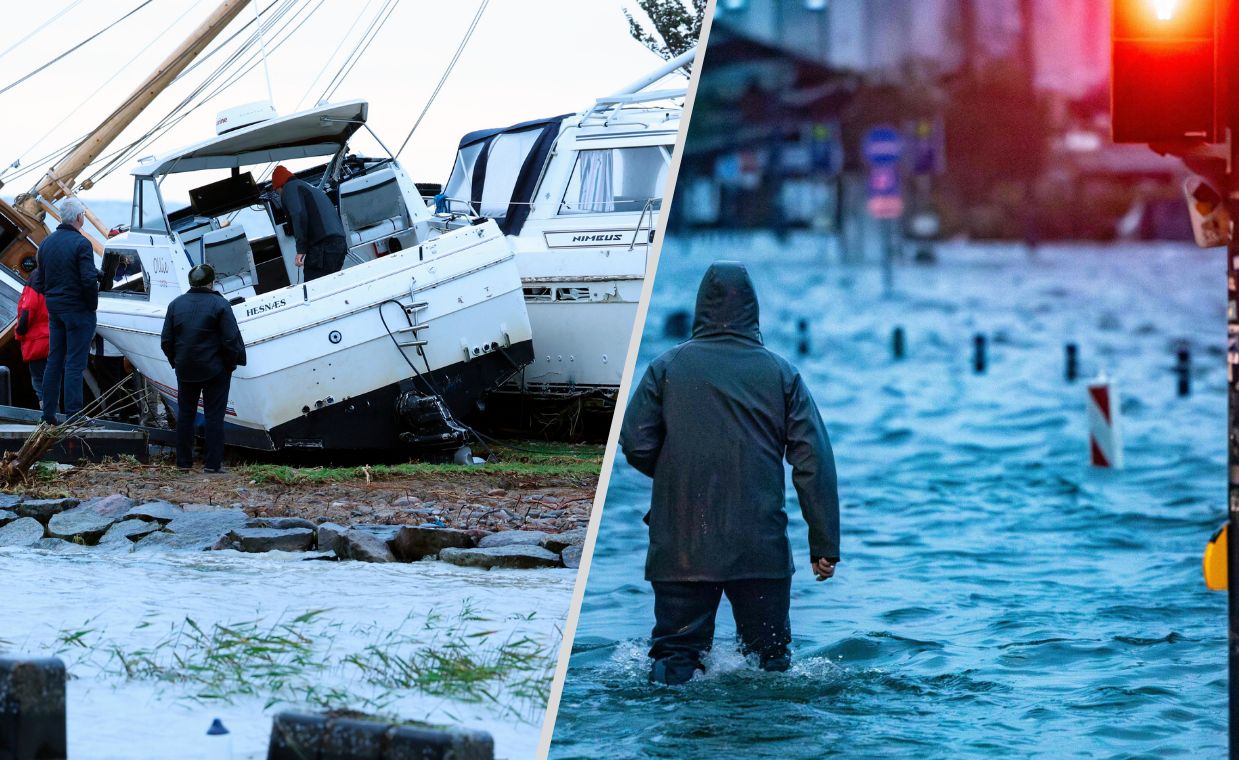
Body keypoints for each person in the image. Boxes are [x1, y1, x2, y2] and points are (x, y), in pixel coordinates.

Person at [619, 261, 840, 686]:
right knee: (770, 663)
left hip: (680, 544)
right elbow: (814, 462)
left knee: (675, 659)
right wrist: (824, 544)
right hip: (761, 545)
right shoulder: (782, 374)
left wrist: (679, 475)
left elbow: (636, 443)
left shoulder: (665, 368)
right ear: (753, 313)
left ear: (700, 308)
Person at [160, 264, 246, 473]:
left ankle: (183, 463)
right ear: (211, 282)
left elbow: (166, 341)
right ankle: (212, 464)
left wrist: (177, 362)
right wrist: (229, 365)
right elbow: (230, 339)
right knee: (214, 416)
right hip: (215, 370)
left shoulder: (175, 305)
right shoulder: (220, 304)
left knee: (186, 415)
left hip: (186, 369)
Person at [38, 197, 101, 424]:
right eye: (83, 214)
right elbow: (87, 279)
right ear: (78, 217)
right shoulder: (81, 243)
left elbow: (41, 279)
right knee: (75, 362)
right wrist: (92, 306)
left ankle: (48, 415)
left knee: (54, 361)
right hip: (78, 311)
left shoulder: (46, 243)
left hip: (55, 311)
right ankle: (74, 414)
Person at [271, 164, 347, 282]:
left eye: (277, 191)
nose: (279, 195)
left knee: (313, 287)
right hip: (339, 244)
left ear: (280, 185)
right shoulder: (308, 188)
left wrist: (301, 250)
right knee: (330, 284)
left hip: (324, 246)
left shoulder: (290, 188)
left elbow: (298, 214)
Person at [14, 259, 49, 407]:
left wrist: (19, 331)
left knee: (39, 381)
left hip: (36, 340)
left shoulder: (35, 279)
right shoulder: (58, 277)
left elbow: (28, 311)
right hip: (54, 338)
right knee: (54, 378)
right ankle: (57, 413)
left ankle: (48, 416)